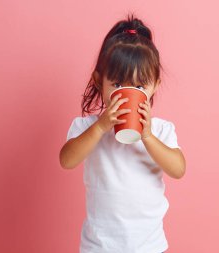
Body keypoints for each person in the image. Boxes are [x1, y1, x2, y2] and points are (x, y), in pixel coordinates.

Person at [59, 14, 186, 253]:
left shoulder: (160, 130)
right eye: (117, 84)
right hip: (99, 245)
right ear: (99, 81)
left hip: (149, 245)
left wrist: (147, 136)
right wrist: (100, 127)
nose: (128, 92)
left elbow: (178, 169)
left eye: (139, 87)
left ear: (155, 85)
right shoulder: (88, 127)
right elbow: (66, 160)